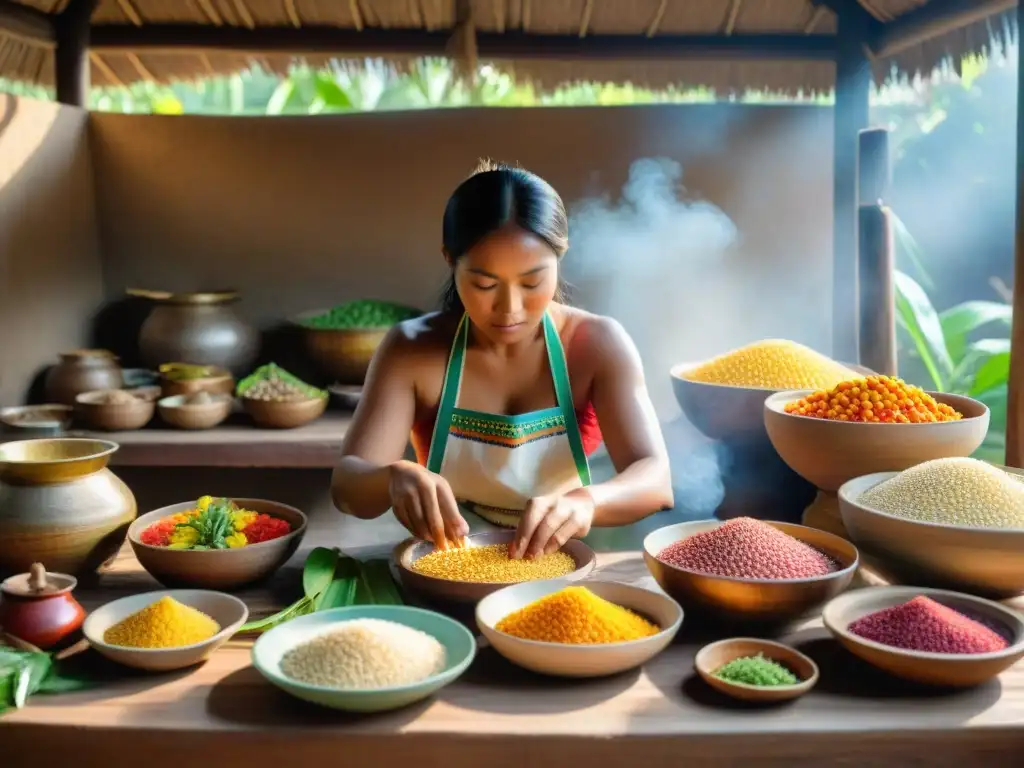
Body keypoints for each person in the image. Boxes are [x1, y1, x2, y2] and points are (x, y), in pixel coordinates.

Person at [331, 161, 673, 560]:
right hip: (450, 560)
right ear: (449, 260)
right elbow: (347, 489)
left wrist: (586, 502)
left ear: (561, 256)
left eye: (532, 282)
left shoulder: (596, 344)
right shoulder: (412, 350)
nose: (509, 308)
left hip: (570, 566)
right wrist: (393, 476)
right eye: (484, 284)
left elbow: (656, 479)